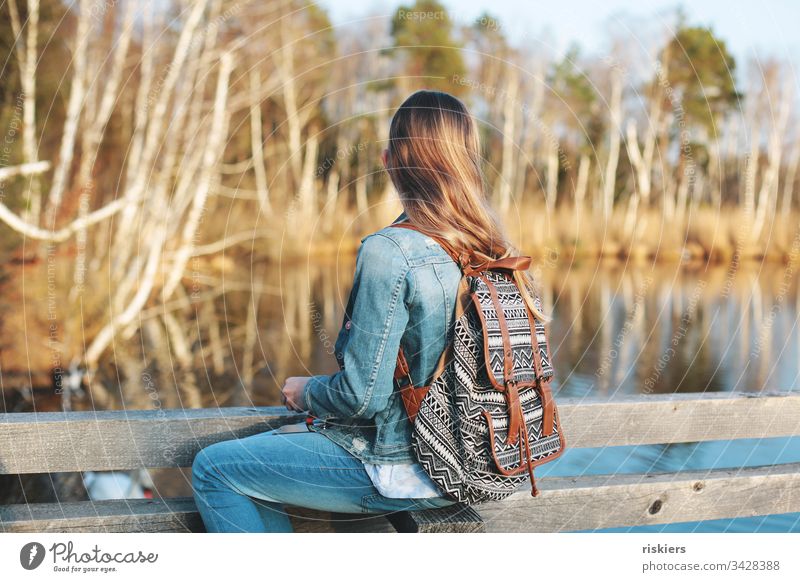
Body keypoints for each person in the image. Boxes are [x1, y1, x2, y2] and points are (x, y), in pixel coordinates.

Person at [191, 89, 548, 532]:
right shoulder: (501, 253)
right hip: (487, 464)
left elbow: (361, 398)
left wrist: (306, 391)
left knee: (216, 468)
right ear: (468, 163)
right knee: (262, 465)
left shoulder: (390, 252)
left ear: (390, 160)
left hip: (411, 470)